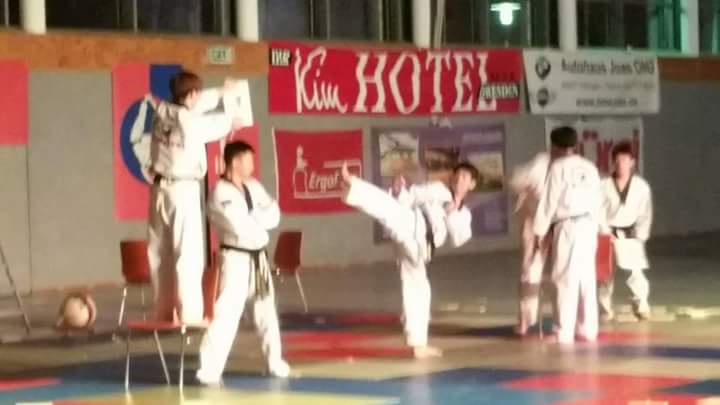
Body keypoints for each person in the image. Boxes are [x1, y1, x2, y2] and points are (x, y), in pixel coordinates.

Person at [341, 161, 477, 358]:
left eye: (465, 177)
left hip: (422, 245)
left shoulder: (464, 213)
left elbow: (459, 239)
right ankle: (353, 183)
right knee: (389, 209)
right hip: (413, 224)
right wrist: (399, 191)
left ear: (472, 184)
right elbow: (410, 197)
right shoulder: (437, 189)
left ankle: (418, 344)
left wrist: (452, 211)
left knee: (419, 290)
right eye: (457, 175)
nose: (459, 179)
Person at [148, 70, 247, 323]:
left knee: (160, 255)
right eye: (197, 93)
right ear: (192, 94)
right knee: (187, 254)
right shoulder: (191, 123)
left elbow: (194, 105)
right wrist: (231, 118)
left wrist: (221, 92)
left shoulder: (162, 112)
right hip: (182, 190)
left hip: (158, 191)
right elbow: (214, 123)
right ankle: (190, 316)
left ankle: (163, 313)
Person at [196, 141, 290, 386]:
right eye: (248, 160)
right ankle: (209, 369)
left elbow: (274, 215)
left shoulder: (253, 186)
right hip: (235, 259)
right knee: (227, 314)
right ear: (235, 162)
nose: (252, 165)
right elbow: (241, 226)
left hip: (259, 260)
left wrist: (256, 217)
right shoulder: (220, 193)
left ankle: (274, 361)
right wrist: (259, 221)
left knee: (266, 312)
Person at [533, 126, 603, 344]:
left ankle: (563, 331)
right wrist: (602, 228)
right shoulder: (590, 167)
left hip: (569, 226)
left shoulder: (558, 167)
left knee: (564, 277)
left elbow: (549, 201)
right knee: (586, 278)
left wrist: (539, 231)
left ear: (554, 146)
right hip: (590, 225)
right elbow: (598, 199)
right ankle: (588, 329)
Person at [598, 141, 653, 321]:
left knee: (635, 272)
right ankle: (605, 309)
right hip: (607, 233)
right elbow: (597, 211)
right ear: (613, 162)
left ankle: (641, 305)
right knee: (605, 275)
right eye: (617, 160)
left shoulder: (641, 186)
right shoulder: (603, 185)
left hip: (630, 234)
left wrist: (641, 236)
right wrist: (604, 231)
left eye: (624, 160)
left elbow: (645, 213)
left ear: (632, 162)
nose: (620, 164)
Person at [508, 151, 552, 336]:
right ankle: (525, 318)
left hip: (560, 224)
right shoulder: (540, 164)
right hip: (533, 223)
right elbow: (516, 182)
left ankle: (568, 319)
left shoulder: (569, 168)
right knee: (529, 271)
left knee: (566, 274)